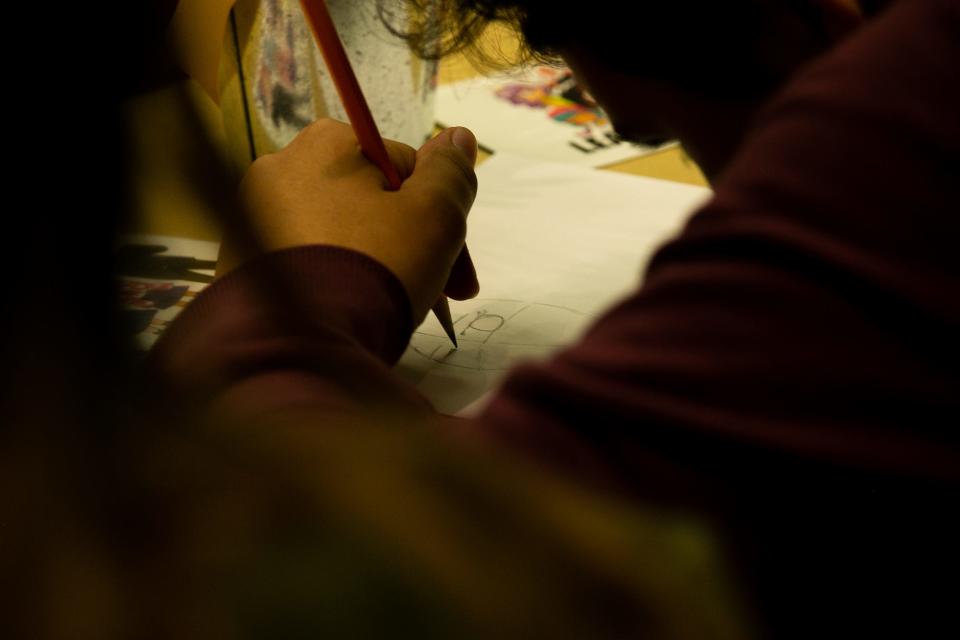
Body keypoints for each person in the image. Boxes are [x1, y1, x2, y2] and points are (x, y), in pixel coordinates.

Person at [6, 0, 957, 637]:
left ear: (820, 37)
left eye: (668, 135)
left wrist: (291, 301)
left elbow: (356, 573)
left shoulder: (919, 106)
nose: (732, 201)